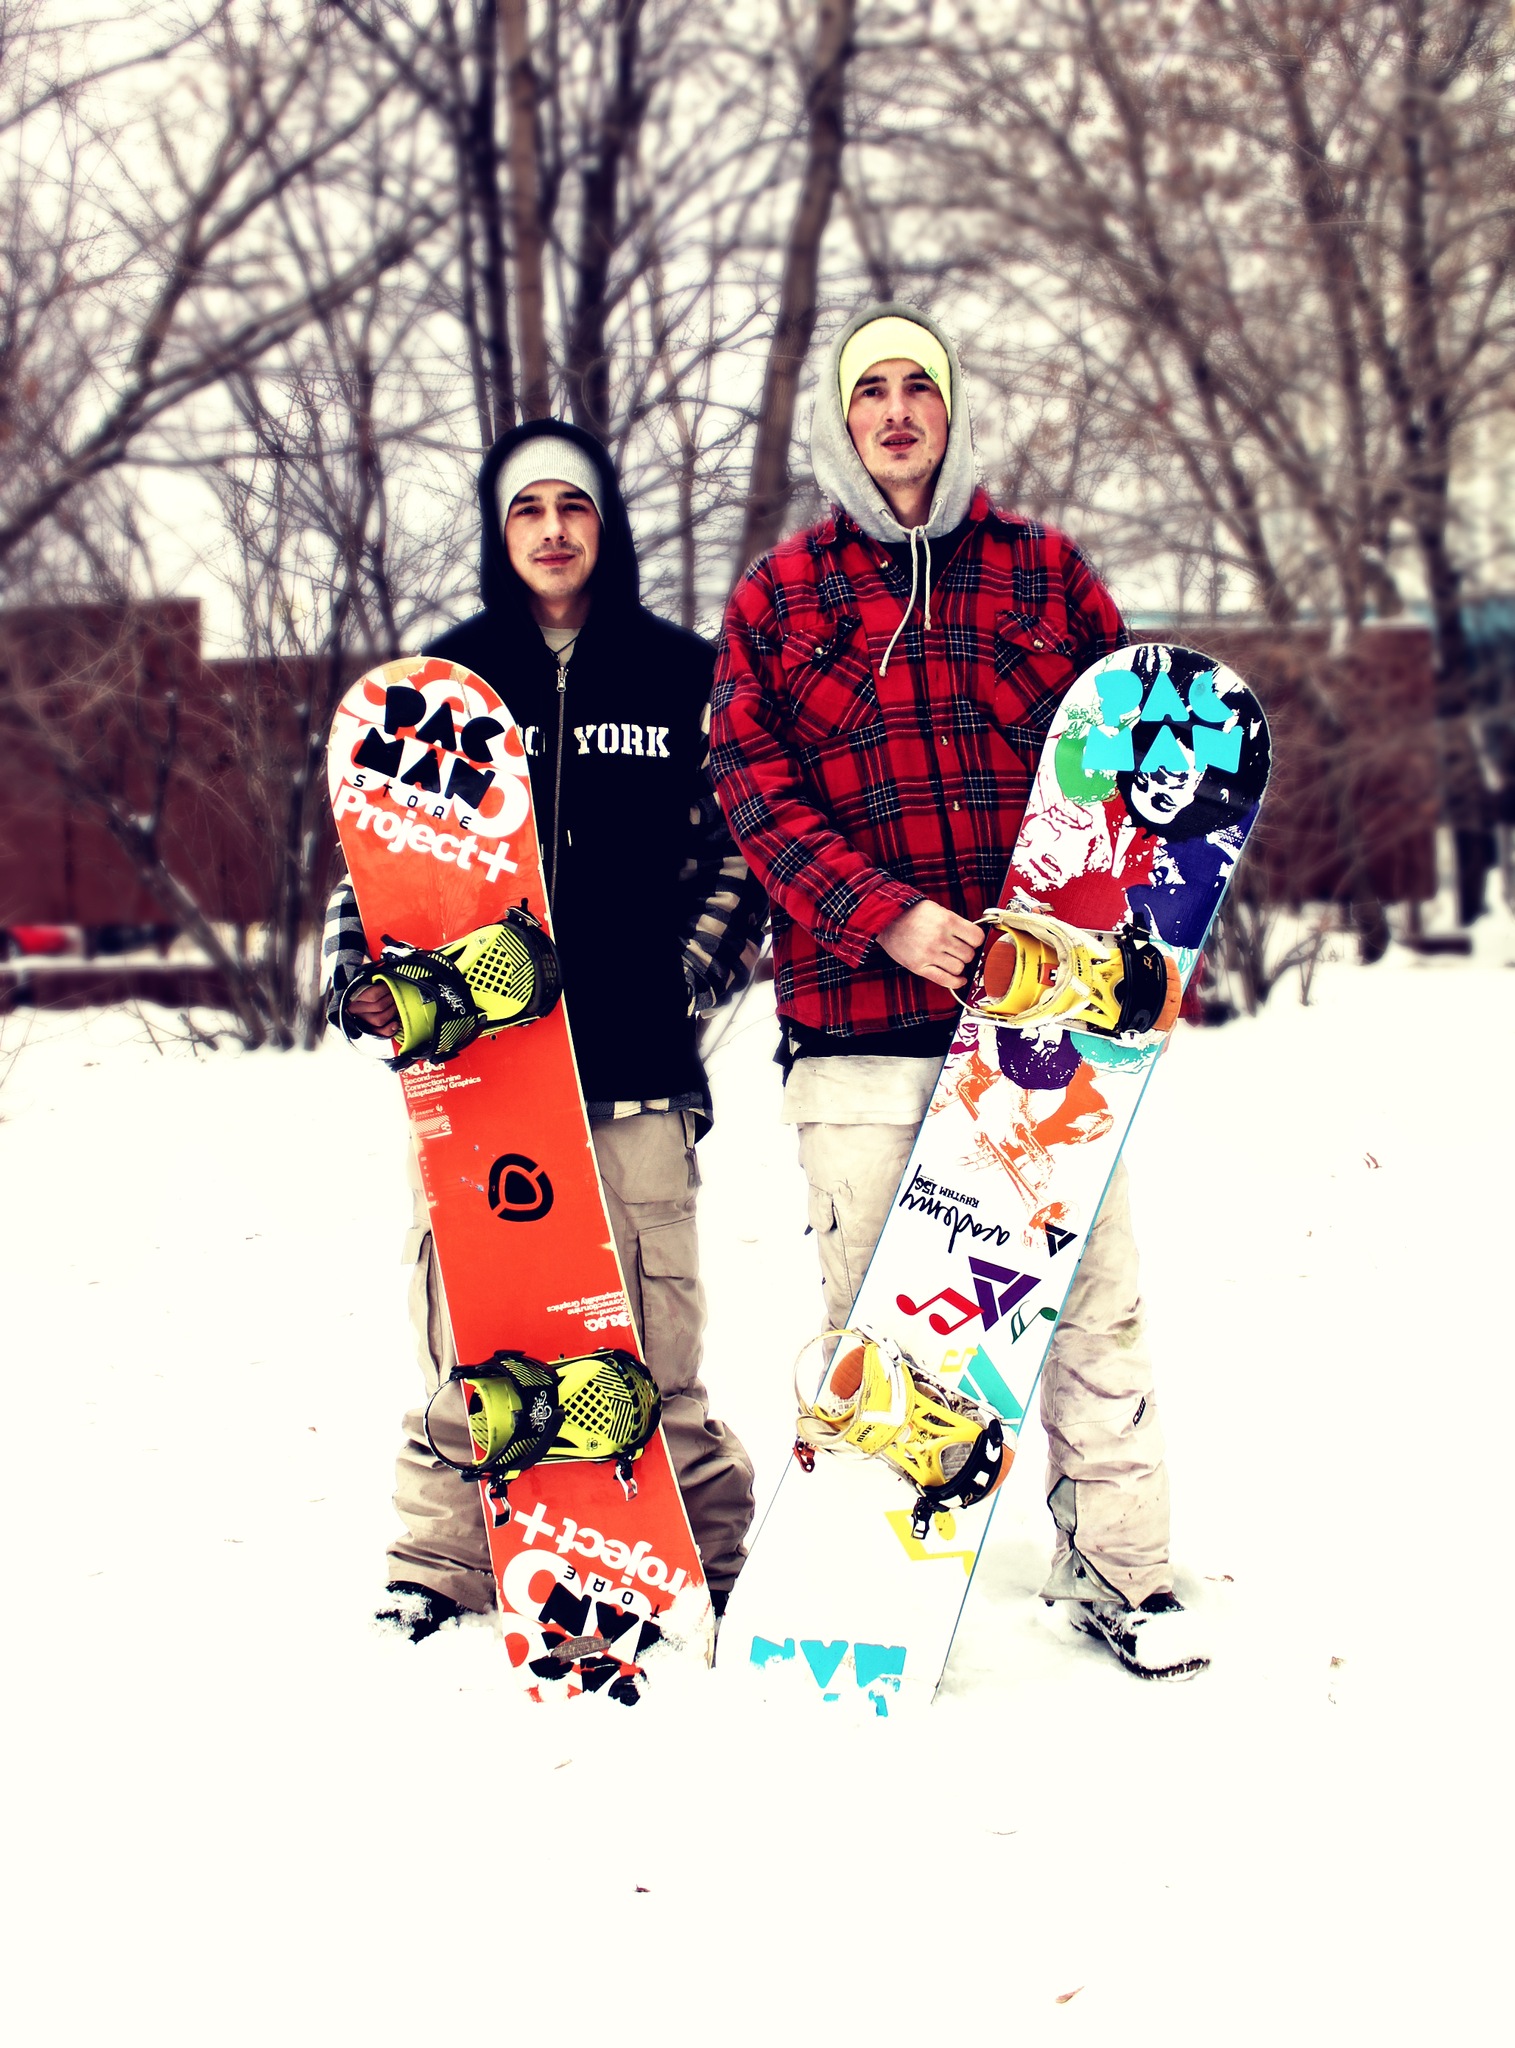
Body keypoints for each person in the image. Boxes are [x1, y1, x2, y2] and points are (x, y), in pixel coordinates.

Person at [711, 304, 1206, 1679]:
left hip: (1046, 1035)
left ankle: (1122, 1571)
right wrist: (887, 916)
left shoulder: (1044, 575)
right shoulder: (779, 597)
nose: (894, 411)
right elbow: (749, 789)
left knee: (1090, 1308)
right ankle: (866, 1593)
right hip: (858, 1025)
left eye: (915, 387)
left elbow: (1133, 773)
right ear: (841, 420)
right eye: (868, 390)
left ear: (949, 409)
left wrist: (1130, 947)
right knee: (884, 1335)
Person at [328, 418, 763, 1640]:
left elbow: (740, 851)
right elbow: (374, 856)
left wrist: (684, 976)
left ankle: (711, 1547)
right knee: (470, 1333)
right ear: (499, 529)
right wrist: (364, 978)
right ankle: (440, 1556)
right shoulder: (446, 681)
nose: (554, 529)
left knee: (657, 1335)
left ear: (605, 525)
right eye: (529, 508)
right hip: (480, 1074)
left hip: (635, 1067)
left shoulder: (682, 675)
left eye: (575, 506)